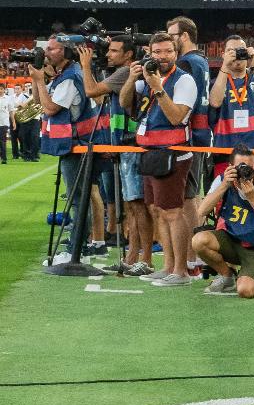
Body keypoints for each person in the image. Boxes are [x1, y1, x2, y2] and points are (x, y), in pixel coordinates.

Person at [120, 32, 195, 287]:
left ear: (176, 54)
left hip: (174, 153)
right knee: (158, 210)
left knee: (173, 212)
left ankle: (181, 271)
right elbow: (124, 102)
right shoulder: (147, 77)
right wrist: (132, 78)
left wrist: (158, 89)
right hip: (151, 152)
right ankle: (168, 266)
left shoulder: (184, 81)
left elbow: (176, 117)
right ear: (149, 54)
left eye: (168, 52)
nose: (162, 57)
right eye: (157, 52)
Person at [81, 35, 153, 276]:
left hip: (130, 145)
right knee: (132, 206)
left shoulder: (124, 73)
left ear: (128, 55)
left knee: (137, 205)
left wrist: (85, 65)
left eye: (114, 51)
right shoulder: (123, 73)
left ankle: (146, 258)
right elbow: (102, 97)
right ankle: (132, 257)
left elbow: (91, 91)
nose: (109, 54)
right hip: (124, 146)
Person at [31, 35, 107, 262]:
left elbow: (51, 108)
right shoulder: (65, 74)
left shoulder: (71, 76)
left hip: (76, 145)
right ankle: (79, 246)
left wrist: (41, 81)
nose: (47, 53)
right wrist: (38, 79)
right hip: (74, 144)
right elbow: (38, 101)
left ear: (67, 52)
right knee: (80, 197)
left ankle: (77, 250)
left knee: (78, 199)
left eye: (52, 49)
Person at [192, 144, 254, 298]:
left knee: (245, 291)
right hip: (232, 240)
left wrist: (253, 198)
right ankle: (228, 277)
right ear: (231, 167)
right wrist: (225, 185)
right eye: (240, 167)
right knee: (199, 241)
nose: (245, 172)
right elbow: (202, 211)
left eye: (249, 168)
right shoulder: (223, 180)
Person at [167, 16, 211, 279]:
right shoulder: (202, 60)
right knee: (192, 197)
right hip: (202, 132)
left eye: (171, 35)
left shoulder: (186, 62)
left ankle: (193, 257)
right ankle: (194, 256)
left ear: (183, 36)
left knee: (187, 199)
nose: (168, 38)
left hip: (190, 133)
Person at [208, 36, 254, 179]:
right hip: (225, 153)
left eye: (239, 50)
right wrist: (224, 67)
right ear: (223, 55)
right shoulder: (217, 82)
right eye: (230, 51)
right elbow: (215, 102)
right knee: (225, 199)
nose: (235, 55)